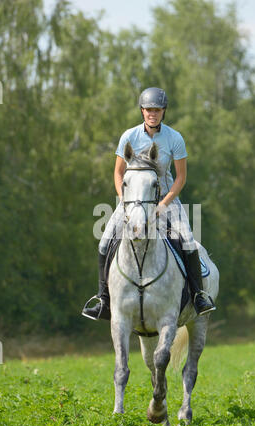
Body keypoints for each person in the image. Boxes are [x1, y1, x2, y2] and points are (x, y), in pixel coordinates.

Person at [82, 87, 215, 321]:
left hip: (166, 200)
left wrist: (163, 204)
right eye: (148, 109)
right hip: (131, 201)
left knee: (188, 241)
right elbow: (118, 173)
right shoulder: (129, 136)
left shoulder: (174, 138)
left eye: (157, 110)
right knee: (104, 243)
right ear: (142, 111)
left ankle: (198, 295)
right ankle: (103, 299)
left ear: (163, 111)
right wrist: (124, 201)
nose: (152, 113)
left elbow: (181, 177)